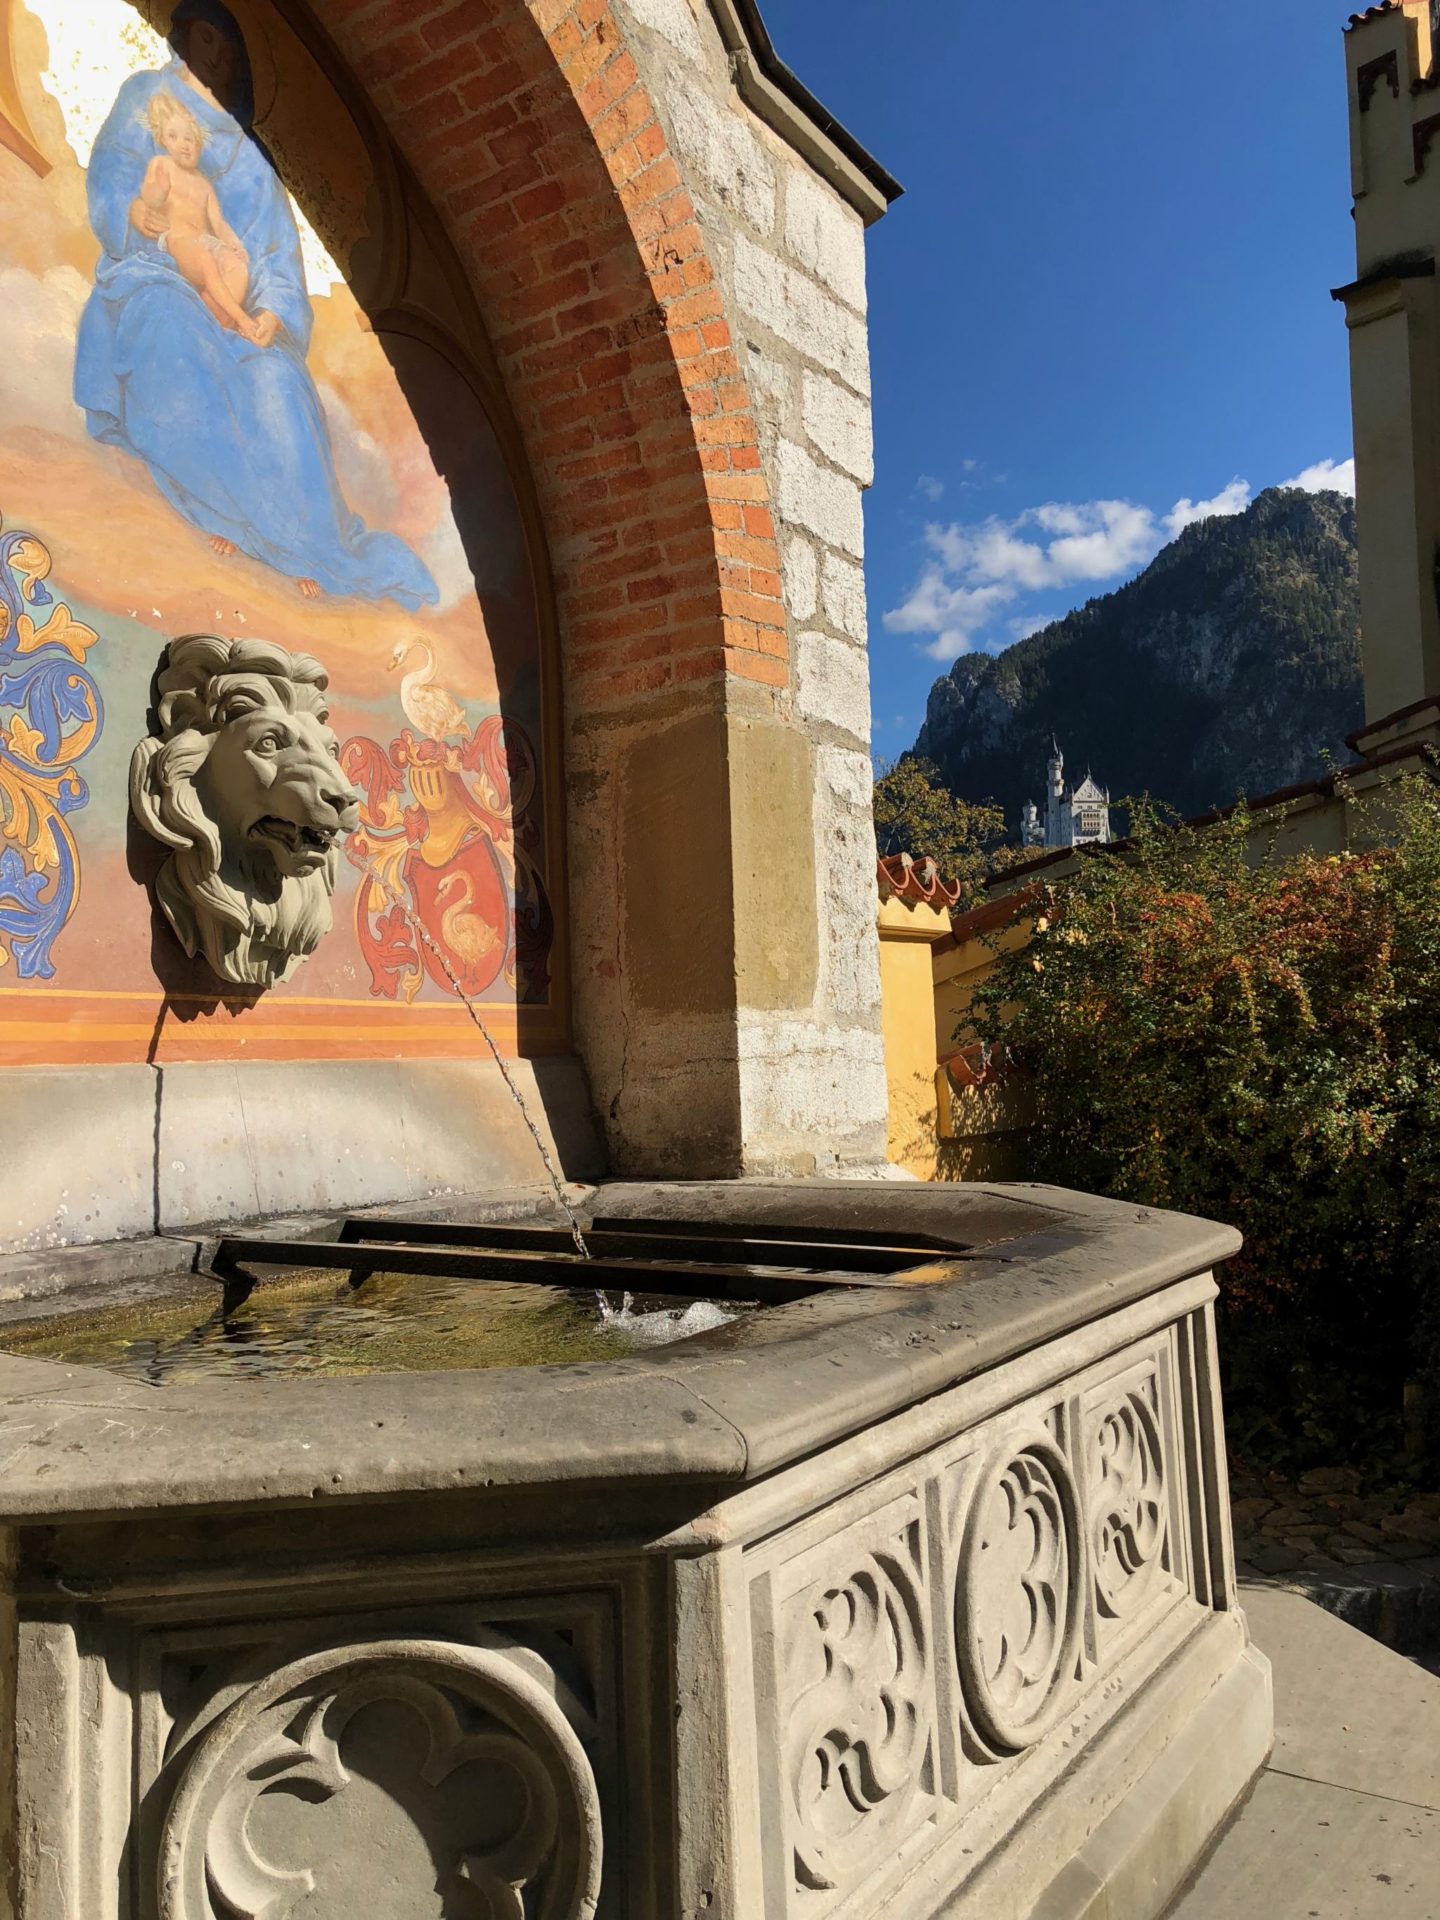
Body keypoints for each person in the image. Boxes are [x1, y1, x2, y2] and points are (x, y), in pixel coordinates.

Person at [73, 0, 437, 609]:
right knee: (171, 334)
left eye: (228, 50)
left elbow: (272, 253)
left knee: (281, 390)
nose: (215, 56)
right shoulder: (147, 96)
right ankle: (222, 514)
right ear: (184, 34)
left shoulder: (250, 155)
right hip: (159, 276)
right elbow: (111, 177)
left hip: (240, 309)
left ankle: (307, 549)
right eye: (207, 40)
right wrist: (135, 212)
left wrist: (275, 315)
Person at [139, 91, 259, 343]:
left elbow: (218, 223)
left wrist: (234, 245)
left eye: (189, 138)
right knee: (206, 262)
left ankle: (210, 316)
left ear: (199, 143)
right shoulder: (162, 165)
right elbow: (150, 199)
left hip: (207, 240)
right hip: (179, 239)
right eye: (174, 136)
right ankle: (242, 319)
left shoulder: (205, 185)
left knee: (238, 269)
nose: (183, 144)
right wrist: (159, 190)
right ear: (162, 140)